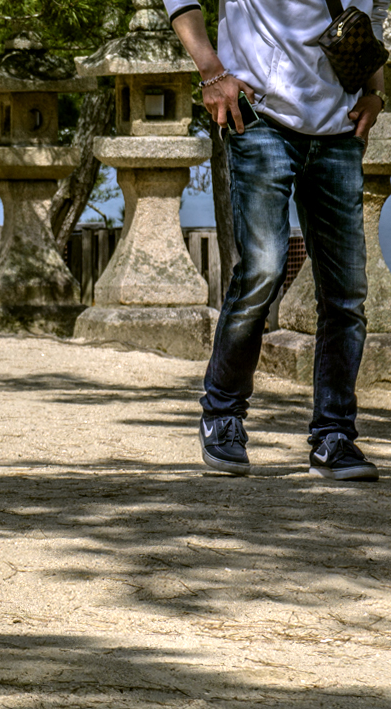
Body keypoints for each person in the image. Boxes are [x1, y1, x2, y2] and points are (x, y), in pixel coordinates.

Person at [169, 0, 385, 482]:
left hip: (338, 128)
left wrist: (375, 92)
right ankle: (222, 414)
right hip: (259, 115)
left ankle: (334, 436)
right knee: (263, 268)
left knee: (347, 293)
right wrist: (210, 70)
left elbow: (361, 22)